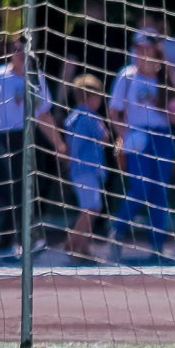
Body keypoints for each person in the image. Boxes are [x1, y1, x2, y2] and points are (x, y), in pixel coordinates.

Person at [0, 30, 64, 264]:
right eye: (16, 50)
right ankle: (1, 240)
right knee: (6, 190)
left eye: (24, 51)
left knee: (24, 190)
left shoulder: (35, 78)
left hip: (24, 137)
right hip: (2, 137)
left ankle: (11, 240)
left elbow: (43, 114)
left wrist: (58, 142)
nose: (20, 55)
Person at [107, 32, 175, 262]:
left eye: (146, 48)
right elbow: (114, 111)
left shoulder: (166, 77)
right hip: (137, 136)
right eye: (138, 48)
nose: (141, 53)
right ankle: (117, 230)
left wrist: (172, 101)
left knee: (159, 192)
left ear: (156, 51)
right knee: (139, 188)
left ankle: (157, 246)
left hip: (161, 137)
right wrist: (125, 135)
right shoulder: (127, 76)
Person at [64, 73, 110, 261]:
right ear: (89, 97)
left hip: (76, 169)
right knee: (92, 208)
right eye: (98, 97)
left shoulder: (72, 116)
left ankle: (82, 247)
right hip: (88, 169)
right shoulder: (90, 117)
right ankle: (73, 244)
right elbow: (104, 137)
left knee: (89, 207)